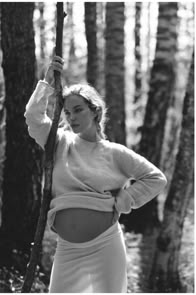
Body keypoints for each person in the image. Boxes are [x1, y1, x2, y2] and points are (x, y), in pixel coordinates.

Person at [24, 56, 167, 293]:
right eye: (67, 113)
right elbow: (33, 117)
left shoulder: (115, 153)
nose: (71, 117)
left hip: (105, 245)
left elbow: (156, 178)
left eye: (78, 110)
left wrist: (126, 199)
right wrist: (48, 82)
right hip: (67, 249)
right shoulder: (59, 141)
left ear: (95, 111)